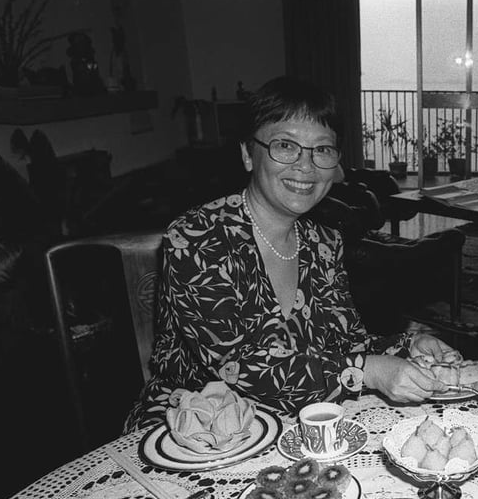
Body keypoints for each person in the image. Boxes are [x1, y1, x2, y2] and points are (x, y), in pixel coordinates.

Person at [125, 76, 451, 431]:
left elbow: (349, 344)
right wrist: (368, 370)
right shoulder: (197, 238)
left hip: (293, 421)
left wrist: (409, 345)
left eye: (322, 150)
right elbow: (238, 368)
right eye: (285, 145)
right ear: (248, 154)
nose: (306, 167)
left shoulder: (324, 243)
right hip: (191, 429)